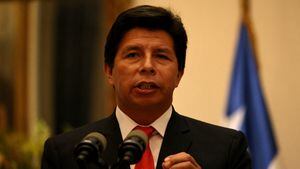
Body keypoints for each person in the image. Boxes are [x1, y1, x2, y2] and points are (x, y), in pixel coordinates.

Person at [41, 5, 251, 169]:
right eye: (133, 55)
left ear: (179, 74)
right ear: (108, 71)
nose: (147, 66)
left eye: (161, 56)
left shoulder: (227, 148)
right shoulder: (67, 153)